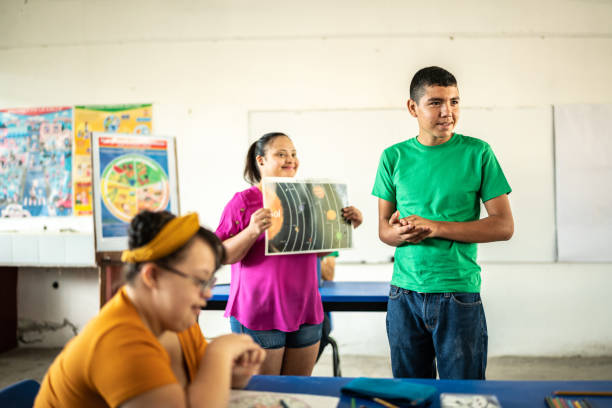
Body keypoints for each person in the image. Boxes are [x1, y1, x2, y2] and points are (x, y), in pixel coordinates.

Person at [35, 211, 265, 408]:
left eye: (209, 283)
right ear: (152, 276)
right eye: (199, 281)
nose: (207, 294)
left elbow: (199, 386)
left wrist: (231, 373)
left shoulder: (177, 320)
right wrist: (219, 353)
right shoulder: (119, 342)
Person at [372, 66, 514, 380]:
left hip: (458, 295)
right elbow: (384, 230)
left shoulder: (478, 153)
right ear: (413, 107)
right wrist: (400, 233)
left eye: (454, 101)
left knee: (462, 396)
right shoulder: (393, 157)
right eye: (436, 102)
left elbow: (503, 226)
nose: (447, 112)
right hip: (403, 295)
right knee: (411, 395)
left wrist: (434, 227)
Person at [216, 132, 362, 376]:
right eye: (281, 154)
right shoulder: (242, 201)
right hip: (261, 311)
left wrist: (347, 227)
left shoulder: (309, 197)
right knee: (266, 396)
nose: (290, 159)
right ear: (260, 161)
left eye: (293, 154)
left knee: (297, 391)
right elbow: (220, 255)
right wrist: (252, 231)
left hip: (305, 307)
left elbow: (315, 252)